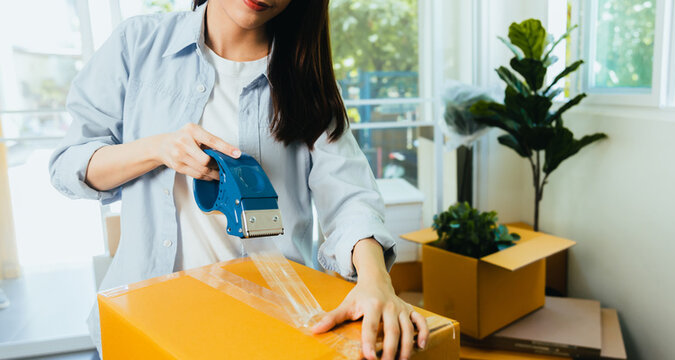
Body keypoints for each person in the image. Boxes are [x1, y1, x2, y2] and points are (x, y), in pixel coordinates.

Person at [48, 0, 427, 359]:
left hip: (264, 332)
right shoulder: (138, 45)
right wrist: (159, 149)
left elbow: (350, 199)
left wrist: (376, 280)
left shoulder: (308, 81)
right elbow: (69, 165)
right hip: (142, 325)